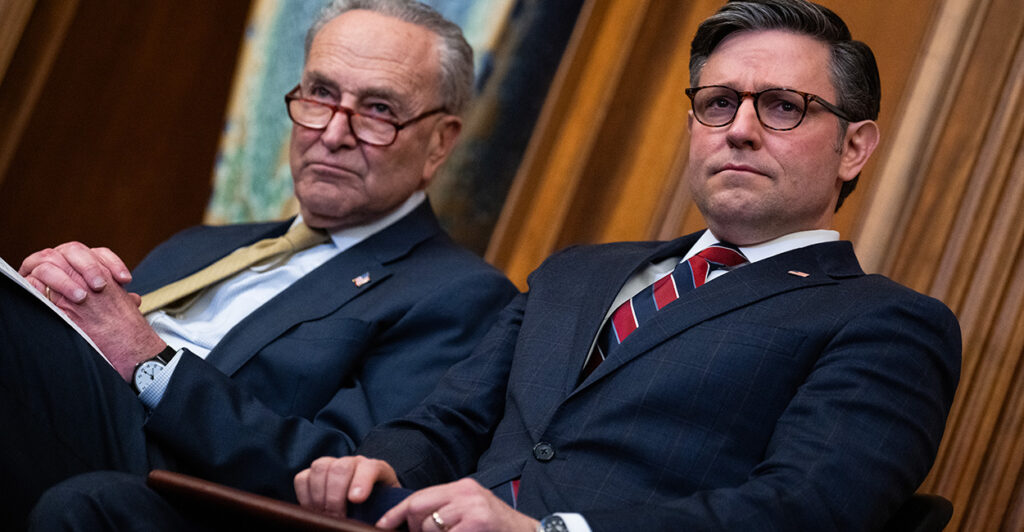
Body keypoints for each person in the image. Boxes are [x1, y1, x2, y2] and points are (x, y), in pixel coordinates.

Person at [290, 1, 962, 531]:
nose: (741, 128)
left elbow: (802, 513)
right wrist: (375, 466)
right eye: (718, 102)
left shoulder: (888, 324)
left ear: (854, 148)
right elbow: (447, 423)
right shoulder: (575, 274)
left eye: (783, 106)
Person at [1, 0, 516, 527]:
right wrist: (61, 307)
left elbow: (346, 475)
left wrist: (148, 361)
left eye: (378, 109)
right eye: (320, 94)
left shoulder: (460, 295)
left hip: (182, 486)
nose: (333, 133)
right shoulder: (200, 245)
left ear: (439, 142)